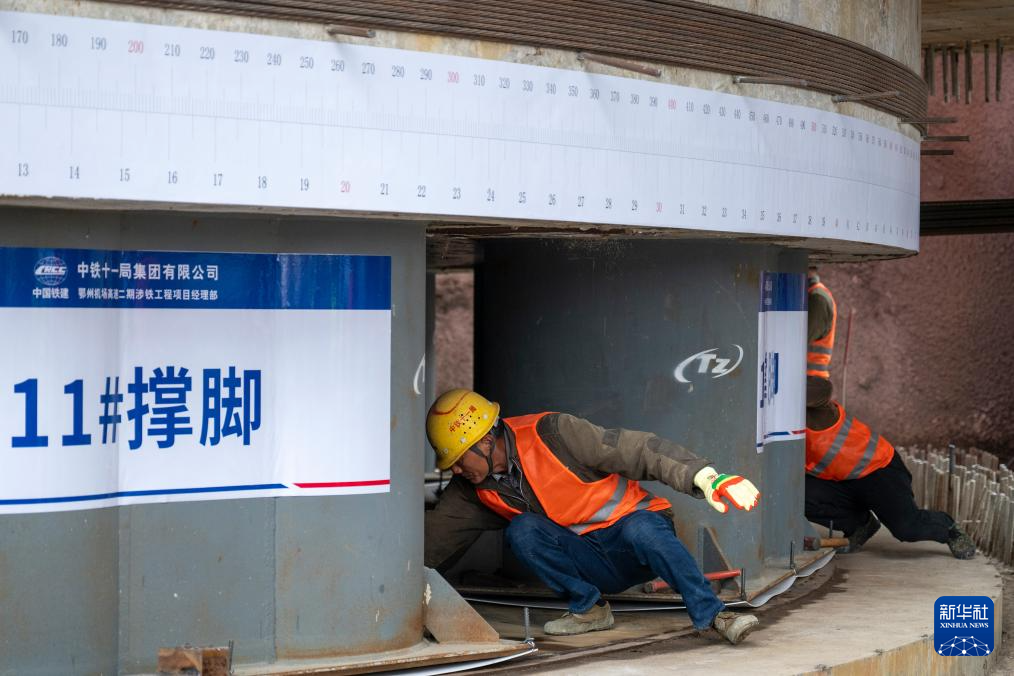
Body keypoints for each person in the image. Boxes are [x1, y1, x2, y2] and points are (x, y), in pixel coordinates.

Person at [424, 389, 762, 644]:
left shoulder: (553, 433)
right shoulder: (472, 489)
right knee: (522, 530)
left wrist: (704, 477)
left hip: (632, 539)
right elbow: (434, 541)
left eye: (458, 458)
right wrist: (394, 592)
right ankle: (590, 610)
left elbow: (637, 449)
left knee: (643, 529)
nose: (456, 470)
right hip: (589, 560)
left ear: (485, 442)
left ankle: (715, 615)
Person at [804, 377, 975, 559]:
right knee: (793, 496)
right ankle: (860, 525)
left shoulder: (814, 407)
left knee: (907, 528)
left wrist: (788, 393)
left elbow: (823, 387)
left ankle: (948, 528)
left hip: (877, 469)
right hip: (839, 479)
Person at [807, 267, 836, 391]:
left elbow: (800, 341)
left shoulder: (818, 298)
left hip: (810, 381)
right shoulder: (811, 293)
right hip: (805, 378)